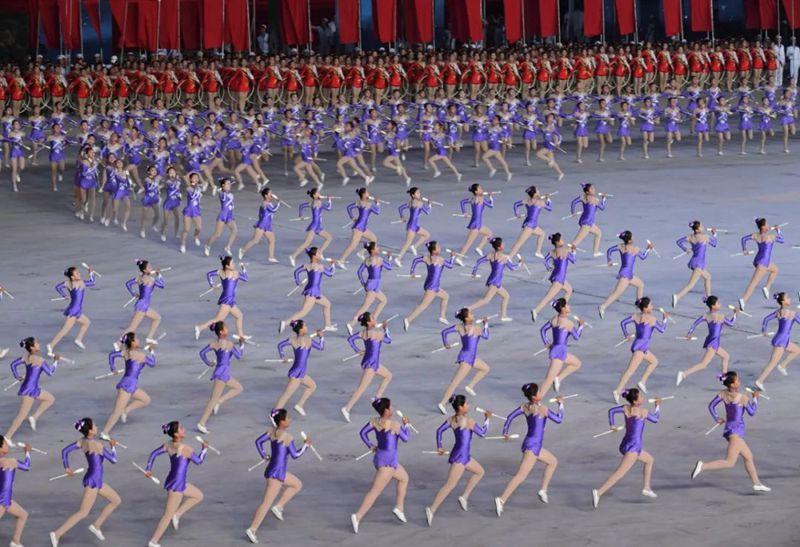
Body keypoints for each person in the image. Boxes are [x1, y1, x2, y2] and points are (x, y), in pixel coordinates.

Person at [691, 371, 770, 493]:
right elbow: (752, 412)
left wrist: (717, 418)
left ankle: (757, 483)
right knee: (729, 462)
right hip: (736, 432)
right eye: (737, 380)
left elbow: (711, 406)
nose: (739, 381)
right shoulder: (743, 397)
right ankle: (703, 466)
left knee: (749, 457)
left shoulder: (723, 393)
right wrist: (755, 399)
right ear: (732, 384)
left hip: (729, 429)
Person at [49, 418, 121, 546]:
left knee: (116, 500)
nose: (97, 427)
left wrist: (67, 468)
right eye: (95, 425)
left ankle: (96, 525)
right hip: (93, 481)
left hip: (96, 480)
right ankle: (57, 534)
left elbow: (64, 451)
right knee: (83, 512)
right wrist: (113, 447)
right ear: (91, 431)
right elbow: (113, 460)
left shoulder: (82, 441)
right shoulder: (97, 445)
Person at [494, 383, 562, 516]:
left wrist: (505, 431)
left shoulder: (525, 407)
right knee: (521, 476)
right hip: (533, 447)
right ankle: (501, 499)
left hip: (532, 444)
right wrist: (561, 405)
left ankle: (543, 490)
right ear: (535, 396)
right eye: (539, 392)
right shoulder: (542, 409)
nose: (541, 394)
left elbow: (510, 417)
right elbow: (559, 419)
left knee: (552, 462)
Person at [245, 409, 310, 544]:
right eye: (288, 418)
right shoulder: (287, 437)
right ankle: (252, 529)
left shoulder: (271, 431)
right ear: (282, 422)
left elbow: (258, 442)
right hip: (276, 475)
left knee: (297, 484)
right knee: (266, 503)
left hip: (277, 471)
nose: (290, 420)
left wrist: (264, 455)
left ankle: (279, 506)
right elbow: (295, 455)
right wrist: (306, 446)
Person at [425, 395, 490, 525]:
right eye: (466, 404)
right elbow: (483, 433)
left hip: (463, 455)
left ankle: (464, 496)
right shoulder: (468, 421)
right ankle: (431, 509)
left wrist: (439, 446)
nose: (468, 406)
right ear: (461, 407)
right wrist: (487, 419)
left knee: (480, 472)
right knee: (450, 485)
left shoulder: (452, 419)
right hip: (460, 457)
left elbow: (439, 431)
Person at [592, 388, 661, 508]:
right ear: (635, 401)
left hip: (625, 444)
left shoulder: (625, 408)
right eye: (640, 397)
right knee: (620, 473)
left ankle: (646, 488)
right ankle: (598, 492)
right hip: (633, 447)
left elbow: (611, 411)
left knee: (649, 460)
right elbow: (655, 419)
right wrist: (658, 406)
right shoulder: (642, 412)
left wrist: (612, 425)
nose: (643, 398)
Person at [350, 397, 410, 533]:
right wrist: (406, 425)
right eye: (391, 406)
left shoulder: (375, 421)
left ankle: (399, 508)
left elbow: (362, 433)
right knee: (375, 492)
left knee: (404, 478)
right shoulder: (395, 425)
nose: (393, 408)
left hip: (381, 458)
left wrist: (370, 445)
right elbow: (406, 438)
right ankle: (357, 516)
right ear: (387, 410)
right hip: (388, 463)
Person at [145, 421, 208, 547]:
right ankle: (153, 541)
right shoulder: (185, 449)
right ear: (176, 434)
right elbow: (199, 461)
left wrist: (148, 468)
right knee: (167, 515)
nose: (184, 429)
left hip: (176, 481)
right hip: (176, 485)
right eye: (181, 428)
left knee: (198, 496)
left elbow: (153, 454)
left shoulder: (169, 444)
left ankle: (177, 514)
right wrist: (204, 449)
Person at [101, 332, 156, 438]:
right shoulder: (138, 355)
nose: (139, 340)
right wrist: (152, 351)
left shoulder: (126, 352)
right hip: (127, 385)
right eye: (137, 339)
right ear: (132, 342)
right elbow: (152, 363)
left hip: (131, 385)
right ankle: (104, 433)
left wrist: (113, 368)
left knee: (145, 400)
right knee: (116, 412)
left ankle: (125, 411)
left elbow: (112, 355)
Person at [5, 337, 58, 445]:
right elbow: (50, 372)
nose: (38, 344)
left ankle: (34, 417)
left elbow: (13, 365)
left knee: (50, 399)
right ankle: (7, 437)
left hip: (34, 388)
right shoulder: (39, 360)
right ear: (32, 347)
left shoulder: (26, 356)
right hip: (28, 391)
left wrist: (17, 376)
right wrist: (56, 362)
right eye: (36, 343)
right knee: (22, 415)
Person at [341, 312, 393, 423]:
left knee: (388, 375)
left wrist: (357, 350)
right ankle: (347, 408)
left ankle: (377, 398)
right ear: (369, 322)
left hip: (373, 362)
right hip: (371, 364)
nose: (375, 318)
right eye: (373, 318)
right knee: (362, 388)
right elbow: (388, 340)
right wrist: (386, 328)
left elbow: (350, 339)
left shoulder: (364, 332)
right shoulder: (376, 333)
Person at [196, 321, 244, 434]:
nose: (228, 329)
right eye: (226, 328)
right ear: (221, 332)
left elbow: (202, 353)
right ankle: (201, 423)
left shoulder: (214, 343)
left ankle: (220, 401)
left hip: (223, 373)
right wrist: (242, 345)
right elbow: (239, 356)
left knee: (239, 388)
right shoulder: (229, 344)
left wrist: (208, 363)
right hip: (222, 374)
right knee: (213, 400)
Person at [677, 296, 737, 386]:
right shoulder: (720, 316)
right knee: (703, 364)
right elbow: (731, 323)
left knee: (726, 356)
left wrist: (689, 333)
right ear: (713, 306)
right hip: (713, 343)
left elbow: (695, 323)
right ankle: (683, 374)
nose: (720, 304)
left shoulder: (706, 315)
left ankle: (724, 376)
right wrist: (735, 314)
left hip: (712, 341)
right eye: (718, 303)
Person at [274, 320, 324, 415]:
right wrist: (321, 337)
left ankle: (299, 405)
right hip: (297, 373)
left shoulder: (293, 339)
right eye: (305, 326)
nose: (307, 327)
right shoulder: (307, 339)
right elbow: (321, 347)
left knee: (312, 386)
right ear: (301, 329)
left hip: (300, 371)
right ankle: (274, 413)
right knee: (286, 395)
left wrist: (283, 356)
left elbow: (280, 345)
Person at [754, 291, 800, 390]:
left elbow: (766, 319)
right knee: (773, 362)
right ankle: (759, 381)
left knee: (797, 350)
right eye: (788, 298)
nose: (790, 299)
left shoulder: (778, 311)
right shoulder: (791, 313)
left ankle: (783, 365)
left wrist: (764, 331)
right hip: (782, 340)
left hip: (782, 338)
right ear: (783, 301)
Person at [0, 435, 30, 547]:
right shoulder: (10, 462)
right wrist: (27, 452)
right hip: (2, 501)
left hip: (6, 500)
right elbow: (26, 466)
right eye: (5, 443)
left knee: (23, 515)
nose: (7, 445)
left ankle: (15, 542)